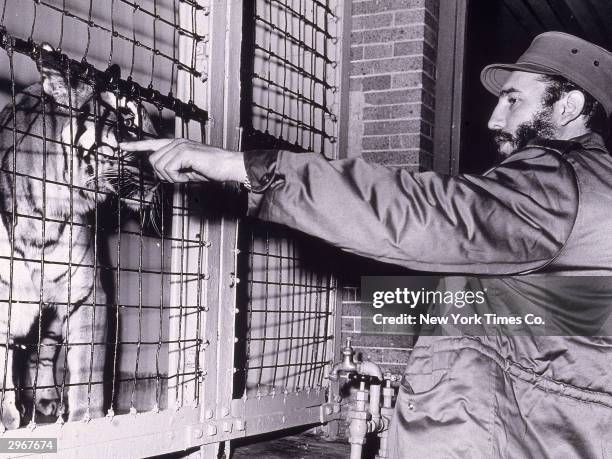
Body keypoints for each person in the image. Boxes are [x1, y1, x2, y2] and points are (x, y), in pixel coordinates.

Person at [122, 32, 612, 457]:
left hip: (521, 430)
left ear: (567, 106)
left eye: (513, 100)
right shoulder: (596, 184)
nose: (493, 119)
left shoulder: (555, 181)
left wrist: (247, 166)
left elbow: (421, 214)